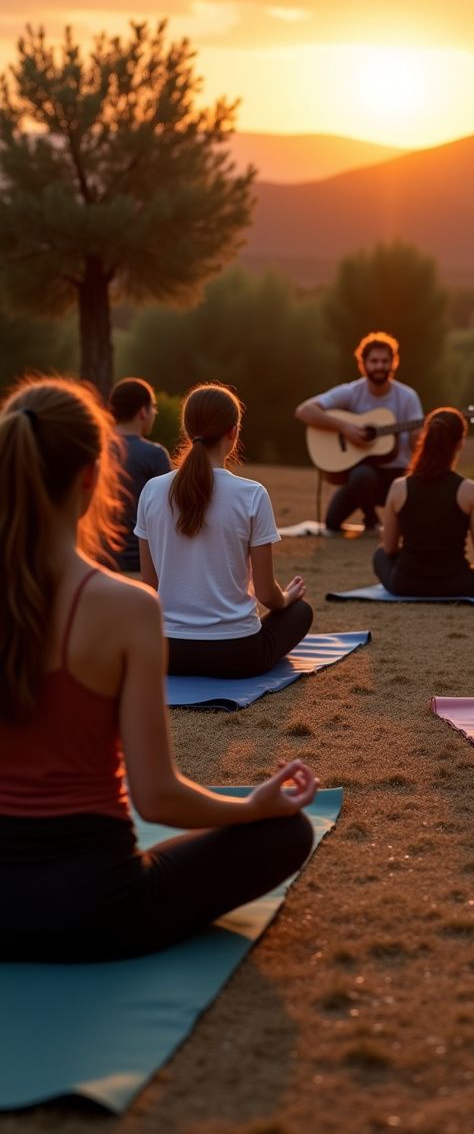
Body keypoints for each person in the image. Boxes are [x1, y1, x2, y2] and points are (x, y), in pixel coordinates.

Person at [0, 375, 317, 963]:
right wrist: (253, 807)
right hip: (94, 908)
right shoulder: (125, 610)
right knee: (287, 830)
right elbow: (158, 798)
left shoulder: (143, 578)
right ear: (93, 478)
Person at [136, 382, 313, 678]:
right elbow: (267, 594)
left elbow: (149, 587)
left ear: (188, 430)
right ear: (234, 432)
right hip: (236, 654)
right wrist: (288, 599)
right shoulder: (252, 494)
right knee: (302, 612)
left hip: (167, 653)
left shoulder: (152, 490)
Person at [374, 407, 474, 598]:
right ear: (460, 443)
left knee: (379, 555)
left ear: (425, 439)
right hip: (457, 584)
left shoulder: (398, 487)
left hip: (405, 584)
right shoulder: (471, 490)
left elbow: (389, 549)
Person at [295, 331, 423, 533]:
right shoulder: (352, 391)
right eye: (374, 361)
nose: (380, 366)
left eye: (385, 361)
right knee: (333, 522)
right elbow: (304, 411)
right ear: (363, 364)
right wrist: (343, 427)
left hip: (399, 477)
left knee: (415, 523)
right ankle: (372, 521)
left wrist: (423, 433)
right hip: (361, 480)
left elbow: (417, 444)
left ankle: (383, 523)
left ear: (394, 363)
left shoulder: (407, 397)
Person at [109, 377, 172, 574]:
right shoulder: (154, 455)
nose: (154, 412)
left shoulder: (94, 449)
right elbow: (169, 512)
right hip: (142, 564)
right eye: (153, 407)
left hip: (98, 560)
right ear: (142, 412)